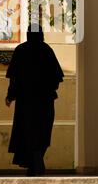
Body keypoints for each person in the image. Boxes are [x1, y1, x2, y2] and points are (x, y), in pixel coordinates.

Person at [5, 24, 64, 176]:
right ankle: (36, 162)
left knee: (27, 132)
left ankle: (34, 164)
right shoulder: (46, 50)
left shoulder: (21, 50)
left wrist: (10, 96)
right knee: (43, 132)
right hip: (45, 101)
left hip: (26, 102)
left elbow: (14, 78)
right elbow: (56, 77)